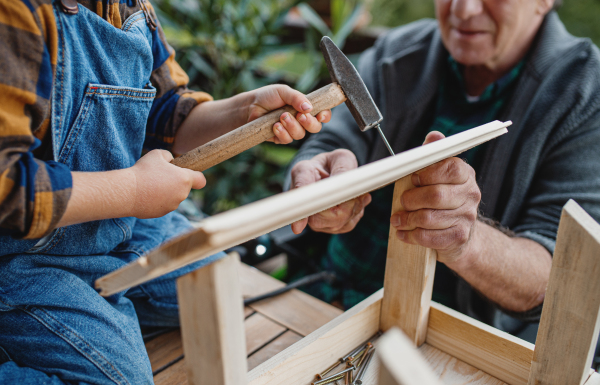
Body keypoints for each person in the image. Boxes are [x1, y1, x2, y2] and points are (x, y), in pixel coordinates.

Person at [0, 0, 331, 383]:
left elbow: (169, 113)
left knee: (209, 290)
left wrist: (246, 110)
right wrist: (134, 190)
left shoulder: (129, 7)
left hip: (111, 224)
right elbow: (9, 186)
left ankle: (87, 303)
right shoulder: (18, 12)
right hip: (21, 252)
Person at [287, 0, 600, 337]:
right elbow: (330, 142)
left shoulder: (586, 95)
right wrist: (321, 171)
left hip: (450, 344)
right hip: (321, 295)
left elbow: (562, 277)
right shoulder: (398, 51)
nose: (463, 10)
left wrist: (469, 242)